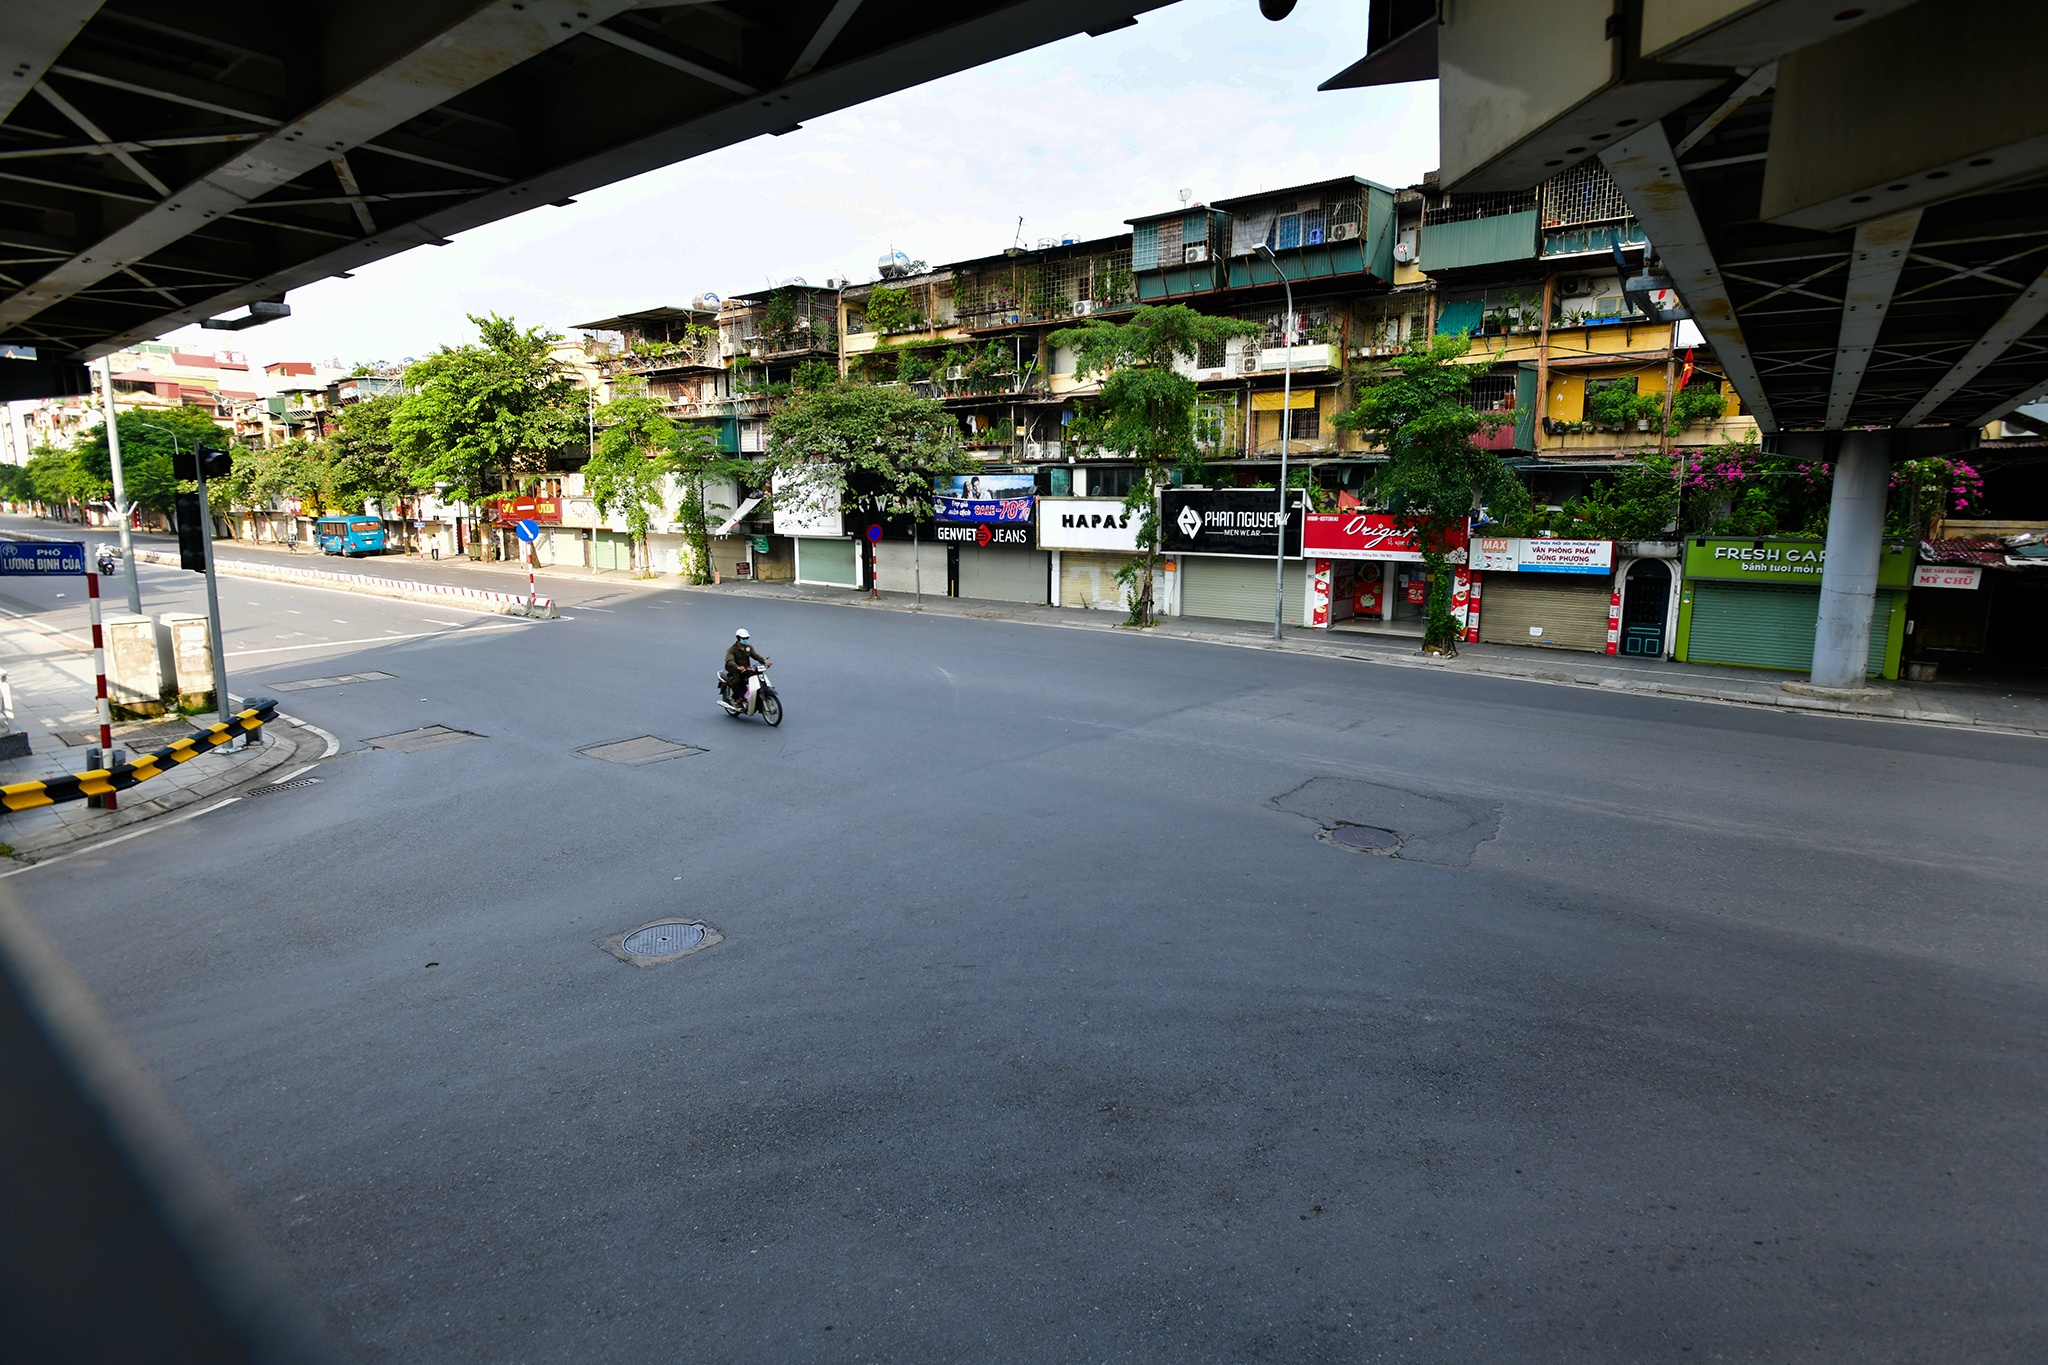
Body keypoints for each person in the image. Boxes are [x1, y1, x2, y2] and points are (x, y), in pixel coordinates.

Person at [722, 628, 770, 705]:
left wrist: (764, 661)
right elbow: (729, 660)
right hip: (735, 670)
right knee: (737, 681)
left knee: (756, 677)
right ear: (738, 638)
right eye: (743, 638)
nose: (745, 640)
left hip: (746, 668)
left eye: (747, 638)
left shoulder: (748, 647)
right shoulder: (732, 650)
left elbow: (755, 656)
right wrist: (737, 667)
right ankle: (737, 698)